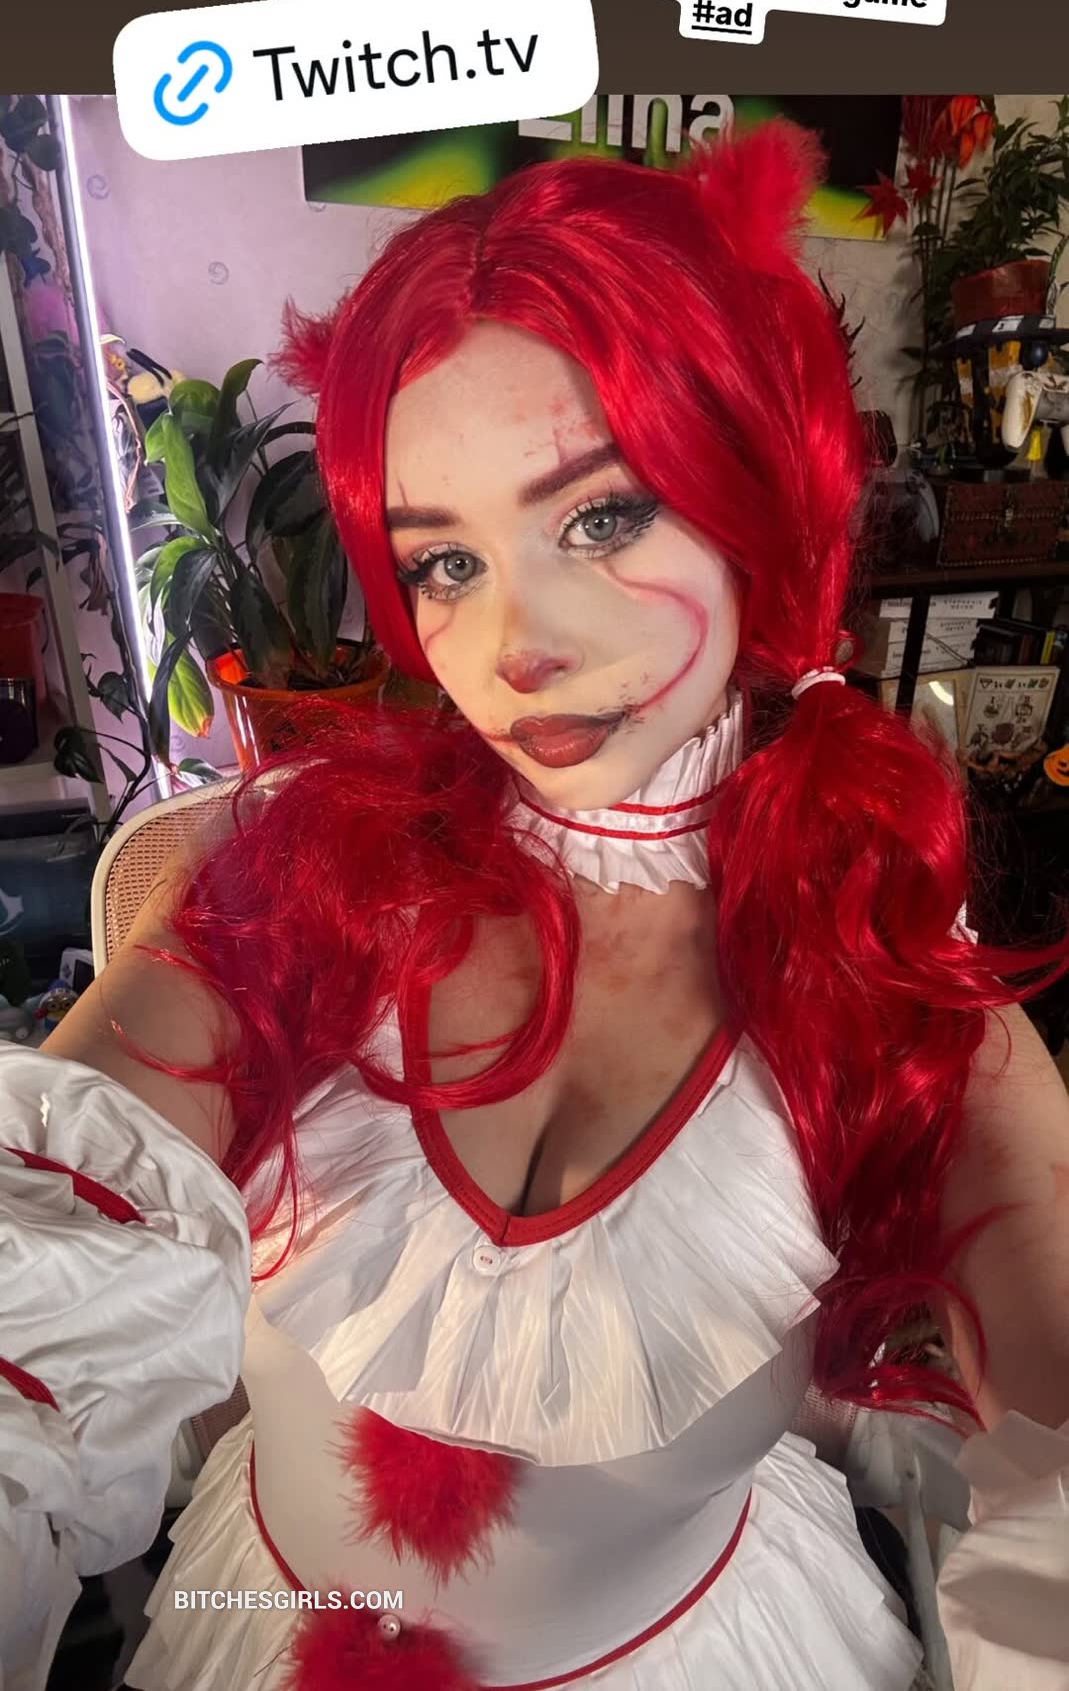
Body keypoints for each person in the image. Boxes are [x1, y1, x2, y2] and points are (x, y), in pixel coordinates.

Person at [2, 122, 1069, 1691]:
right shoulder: (300, 864)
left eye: (599, 516)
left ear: (757, 492)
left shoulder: (881, 975)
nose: (516, 642)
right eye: (443, 562)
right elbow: (40, 1229)